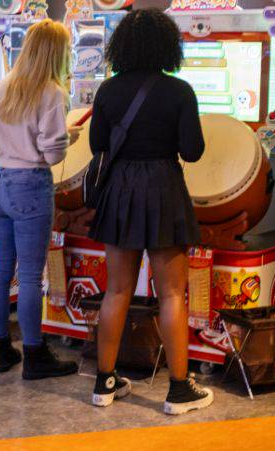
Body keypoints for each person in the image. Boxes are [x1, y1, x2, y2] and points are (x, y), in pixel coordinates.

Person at [88, 9, 214, 415]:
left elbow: (97, 147)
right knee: (172, 292)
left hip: (121, 191)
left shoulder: (107, 92)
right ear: (167, 45)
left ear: (120, 45)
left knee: (117, 290)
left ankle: (104, 383)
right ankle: (179, 390)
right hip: (163, 189)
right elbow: (192, 151)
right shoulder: (179, 92)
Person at [0, 19, 80, 379]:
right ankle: (35, 355)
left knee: (2, 270)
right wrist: (69, 138)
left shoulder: (2, 88)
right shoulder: (52, 93)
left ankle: (0, 350)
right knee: (33, 276)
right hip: (30, 184)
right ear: (57, 53)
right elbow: (52, 155)